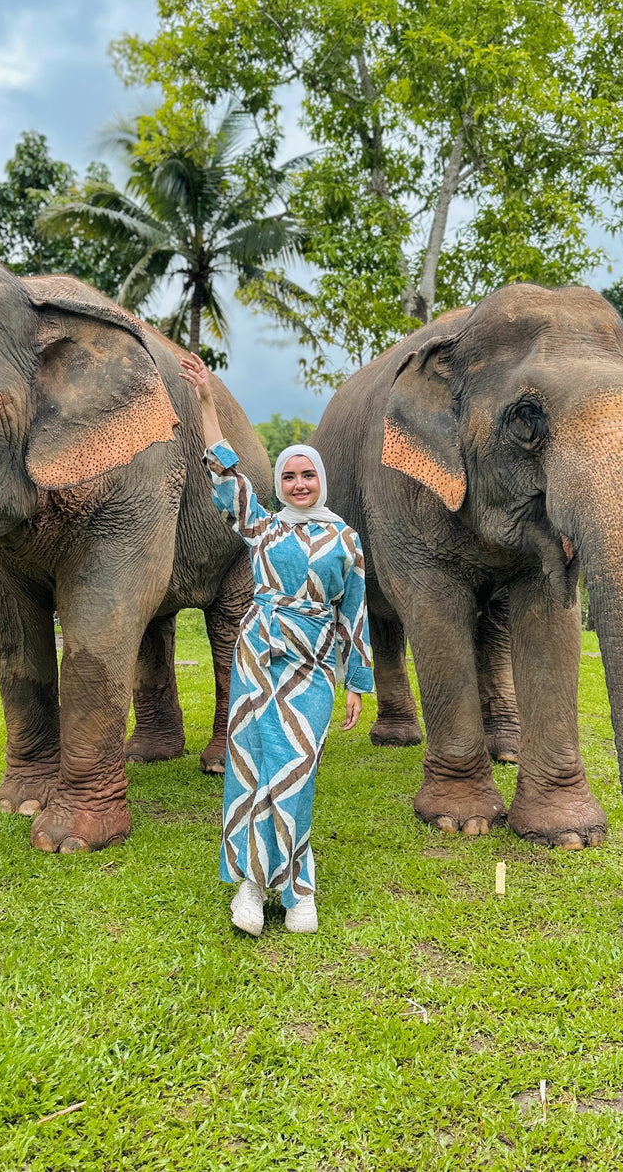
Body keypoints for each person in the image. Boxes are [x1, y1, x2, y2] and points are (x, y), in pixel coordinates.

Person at [179, 352, 373, 937]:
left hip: (312, 668)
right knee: (249, 767)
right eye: (289, 476)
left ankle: (296, 888)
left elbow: (354, 612)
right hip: (257, 658)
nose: (298, 483)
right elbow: (225, 474)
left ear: (320, 480)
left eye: (306, 475)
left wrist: (357, 682)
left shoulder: (344, 538)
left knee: (294, 770)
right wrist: (208, 403)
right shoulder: (262, 526)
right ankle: (250, 886)